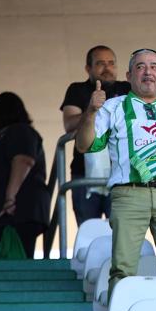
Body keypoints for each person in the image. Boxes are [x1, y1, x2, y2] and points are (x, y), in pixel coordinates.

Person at [76, 48, 156, 295]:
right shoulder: (113, 107)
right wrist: (91, 112)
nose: (147, 71)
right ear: (128, 76)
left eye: (153, 67)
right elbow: (84, 144)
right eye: (140, 67)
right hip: (129, 194)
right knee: (123, 269)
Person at [60, 45, 130, 225]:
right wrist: (92, 109)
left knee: (121, 233)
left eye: (111, 63)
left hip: (121, 172)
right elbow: (69, 124)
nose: (107, 68)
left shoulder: (128, 88)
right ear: (88, 68)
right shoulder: (77, 89)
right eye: (100, 63)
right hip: (84, 173)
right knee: (88, 232)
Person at [0, 92, 50, 258]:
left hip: (13, 214)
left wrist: (10, 198)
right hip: (5, 217)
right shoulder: (8, 135)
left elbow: (23, 160)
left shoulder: (19, 131)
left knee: (14, 265)